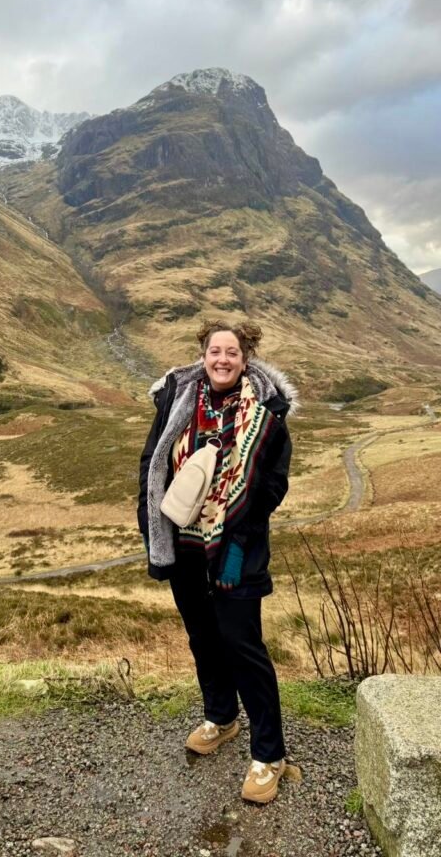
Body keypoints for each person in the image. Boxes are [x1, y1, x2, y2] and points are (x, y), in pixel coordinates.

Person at [138, 318, 297, 803]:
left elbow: (274, 482)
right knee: (203, 636)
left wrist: (240, 521)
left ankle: (269, 754)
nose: (222, 360)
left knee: (241, 643)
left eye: (232, 352)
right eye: (214, 351)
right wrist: (152, 528)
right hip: (183, 544)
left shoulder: (265, 412)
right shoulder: (178, 401)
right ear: (202, 355)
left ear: (245, 358)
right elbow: (153, 462)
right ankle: (222, 717)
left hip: (235, 547)